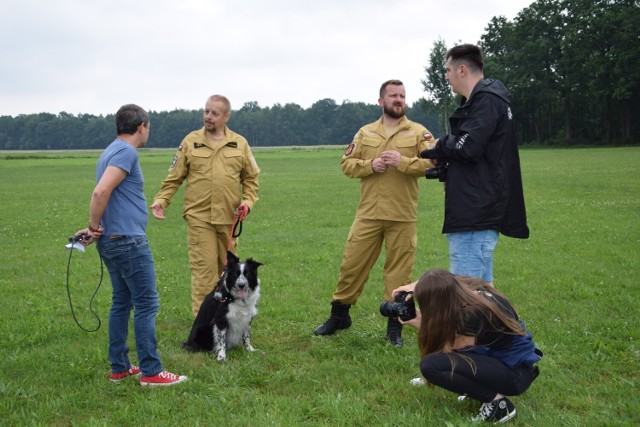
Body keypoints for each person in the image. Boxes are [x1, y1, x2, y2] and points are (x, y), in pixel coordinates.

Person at [313, 79, 435, 347]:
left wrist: (403, 163)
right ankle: (340, 316)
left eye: (402, 95)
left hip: (402, 215)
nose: (398, 99)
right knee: (351, 266)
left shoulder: (418, 133)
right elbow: (347, 164)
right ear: (381, 101)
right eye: (393, 95)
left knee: (399, 275)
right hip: (368, 214)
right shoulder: (366, 132)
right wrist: (371, 165)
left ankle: (395, 328)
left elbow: (435, 163)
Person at [74, 104, 187, 387]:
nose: (149, 130)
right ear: (141, 126)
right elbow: (101, 191)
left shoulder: (110, 150)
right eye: (148, 126)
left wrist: (96, 228)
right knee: (147, 304)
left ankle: (120, 368)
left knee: (122, 303)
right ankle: (151, 372)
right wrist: (93, 226)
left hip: (114, 241)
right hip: (128, 242)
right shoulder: (126, 151)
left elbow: (107, 193)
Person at [420, 44, 529, 286]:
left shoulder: (487, 100)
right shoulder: (484, 100)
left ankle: (505, 326)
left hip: (474, 213)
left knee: (465, 292)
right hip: (477, 210)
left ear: (461, 70)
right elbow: (476, 149)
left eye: (447, 70)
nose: (446, 76)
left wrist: (441, 145)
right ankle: (506, 325)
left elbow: (467, 146)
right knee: (484, 291)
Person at [151, 95, 260, 317]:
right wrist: (162, 200)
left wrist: (247, 203)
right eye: (206, 111)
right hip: (199, 218)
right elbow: (174, 177)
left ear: (226, 117)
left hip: (229, 219)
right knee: (204, 272)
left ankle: (225, 319)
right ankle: (203, 323)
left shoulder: (240, 143)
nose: (208, 117)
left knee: (229, 272)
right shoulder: (191, 141)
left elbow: (251, 180)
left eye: (214, 113)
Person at [393, 268, 541, 423]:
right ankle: (477, 392)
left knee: (431, 366)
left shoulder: (471, 317)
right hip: (516, 365)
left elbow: (448, 351)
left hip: (514, 376)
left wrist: (422, 324)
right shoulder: (471, 289)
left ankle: (498, 404)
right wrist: (417, 286)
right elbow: (445, 279)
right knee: (445, 362)